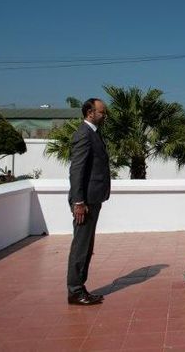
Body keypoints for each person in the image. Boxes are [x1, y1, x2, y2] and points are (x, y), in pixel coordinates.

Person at [66, 98, 110, 305]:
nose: (105, 115)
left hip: (93, 199)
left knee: (86, 245)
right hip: (85, 201)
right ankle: (75, 290)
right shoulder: (84, 134)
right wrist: (78, 202)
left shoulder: (93, 133)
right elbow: (77, 170)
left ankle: (80, 287)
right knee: (81, 246)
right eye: (102, 112)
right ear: (90, 112)